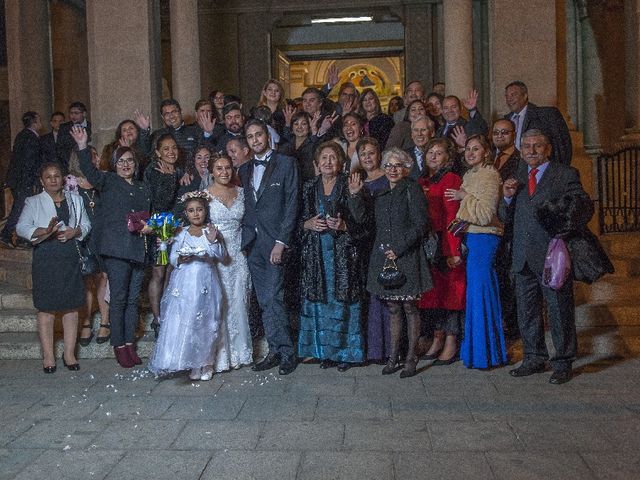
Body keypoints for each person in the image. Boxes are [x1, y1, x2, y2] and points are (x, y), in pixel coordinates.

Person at [501, 129, 592, 384]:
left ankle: (563, 361)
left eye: (537, 146)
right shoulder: (517, 174)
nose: (531, 150)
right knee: (527, 310)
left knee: (559, 309)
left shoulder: (564, 174)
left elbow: (582, 206)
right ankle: (533, 356)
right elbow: (506, 215)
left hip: (552, 254)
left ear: (548, 149)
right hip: (522, 255)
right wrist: (507, 198)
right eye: (526, 146)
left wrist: (561, 231)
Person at [71, 125, 152, 368]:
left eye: (130, 161)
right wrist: (83, 146)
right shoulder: (107, 181)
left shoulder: (143, 187)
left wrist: (152, 226)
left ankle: (129, 343)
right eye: (121, 161)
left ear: (135, 164)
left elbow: (148, 216)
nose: (126, 164)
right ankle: (118, 345)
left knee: (131, 300)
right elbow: (89, 171)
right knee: (118, 299)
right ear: (114, 164)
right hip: (116, 251)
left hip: (138, 249)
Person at [350, 148, 432, 378]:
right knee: (393, 308)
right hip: (384, 256)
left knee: (409, 307)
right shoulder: (380, 192)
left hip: (406, 256)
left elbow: (421, 224)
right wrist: (355, 195)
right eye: (389, 165)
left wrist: (400, 248)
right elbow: (363, 220)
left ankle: (410, 358)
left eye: (397, 165)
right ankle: (393, 357)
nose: (393, 169)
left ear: (406, 168)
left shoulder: (412, 189)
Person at [298, 142, 367, 371]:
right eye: (324, 158)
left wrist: (345, 225)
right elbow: (295, 220)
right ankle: (325, 352)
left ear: (341, 163)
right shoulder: (308, 187)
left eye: (333, 158)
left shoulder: (350, 186)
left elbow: (365, 223)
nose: (328, 162)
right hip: (316, 255)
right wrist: (308, 224)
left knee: (343, 302)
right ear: (317, 164)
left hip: (343, 254)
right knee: (321, 303)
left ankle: (346, 353)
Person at [16, 161, 91, 372]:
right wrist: (45, 230)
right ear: (42, 181)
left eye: (56, 175)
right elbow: (22, 227)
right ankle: (48, 357)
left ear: (63, 178)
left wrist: (74, 232)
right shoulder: (33, 201)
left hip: (69, 257)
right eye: (48, 176)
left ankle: (69, 354)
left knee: (71, 306)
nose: (53, 179)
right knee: (46, 308)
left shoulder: (76, 200)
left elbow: (86, 224)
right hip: (46, 257)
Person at [238, 119, 300, 375]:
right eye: (250, 136)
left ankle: (287, 352)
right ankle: (274, 350)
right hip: (253, 244)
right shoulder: (243, 169)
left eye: (259, 135)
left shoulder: (287, 164)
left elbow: (292, 204)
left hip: (276, 243)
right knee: (264, 301)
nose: (255, 140)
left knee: (274, 297)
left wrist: (281, 242)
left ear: (268, 136)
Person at [445, 134, 507, 369]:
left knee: (481, 293)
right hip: (471, 237)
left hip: (485, 238)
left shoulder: (490, 175)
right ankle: (475, 352)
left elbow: (485, 213)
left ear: (486, 152)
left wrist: (464, 197)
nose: (470, 153)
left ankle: (487, 354)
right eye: (468, 149)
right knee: (474, 295)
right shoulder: (469, 174)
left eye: (476, 149)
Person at [148, 192, 226, 380]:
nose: (196, 214)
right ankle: (192, 361)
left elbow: (221, 255)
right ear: (185, 213)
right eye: (191, 211)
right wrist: (179, 258)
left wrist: (212, 241)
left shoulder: (211, 230)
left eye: (199, 210)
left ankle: (206, 363)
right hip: (184, 284)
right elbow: (173, 257)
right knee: (187, 321)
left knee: (207, 321)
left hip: (206, 281)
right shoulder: (180, 233)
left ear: (205, 211)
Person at [418, 138, 466, 364]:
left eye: (439, 153)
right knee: (433, 296)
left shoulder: (451, 179)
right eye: (430, 152)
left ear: (448, 157)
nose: (434, 156)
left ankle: (450, 340)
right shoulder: (423, 181)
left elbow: (453, 217)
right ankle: (437, 339)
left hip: (446, 244)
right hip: (429, 245)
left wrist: (454, 250)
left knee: (451, 296)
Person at [207, 155, 253, 368]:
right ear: (211, 172)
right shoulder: (203, 196)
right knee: (219, 304)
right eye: (219, 168)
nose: (224, 172)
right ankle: (221, 357)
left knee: (239, 302)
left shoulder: (242, 193)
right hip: (216, 256)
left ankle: (241, 353)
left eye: (227, 168)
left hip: (239, 255)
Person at [66, 149, 111, 346]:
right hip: (83, 237)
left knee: (103, 278)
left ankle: (105, 321)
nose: (98, 158)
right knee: (86, 282)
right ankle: (85, 322)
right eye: (94, 155)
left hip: (103, 235)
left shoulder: (103, 180)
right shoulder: (70, 183)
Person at [354, 137, 391, 363]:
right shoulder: (358, 182)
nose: (368, 157)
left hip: (385, 243)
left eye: (371, 152)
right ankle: (374, 349)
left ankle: (390, 348)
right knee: (370, 296)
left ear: (380, 155)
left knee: (387, 293)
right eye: (363, 153)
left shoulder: (389, 179)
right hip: (365, 245)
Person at [144, 134, 182, 338]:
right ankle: (157, 318)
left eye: (174, 147)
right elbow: (159, 201)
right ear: (157, 152)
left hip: (176, 227)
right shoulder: (153, 171)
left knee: (170, 272)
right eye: (166, 148)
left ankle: (167, 313)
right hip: (160, 227)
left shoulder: (179, 170)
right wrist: (169, 178)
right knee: (159, 273)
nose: (171, 152)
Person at [491, 118, 521, 339]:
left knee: (511, 281)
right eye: (496, 132)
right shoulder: (491, 160)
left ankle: (513, 328)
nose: (500, 136)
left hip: (512, 227)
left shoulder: (520, 161)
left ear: (514, 133)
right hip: (493, 227)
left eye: (505, 132)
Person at [1, 111, 43, 249]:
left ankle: (19, 236)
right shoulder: (30, 137)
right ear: (34, 121)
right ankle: (7, 234)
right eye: (38, 119)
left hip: (18, 179)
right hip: (24, 181)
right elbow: (29, 162)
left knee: (22, 208)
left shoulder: (22, 135)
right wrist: (32, 181)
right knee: (21, 208)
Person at [504, 80, 572, 165]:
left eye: (513, 95)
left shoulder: (546, 115)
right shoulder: (505, 121)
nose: (509, 99)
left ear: (525, 96)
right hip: (514, 171)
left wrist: (560, 172)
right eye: (506, 96)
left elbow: (563, 145)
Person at [280, 110, 321, 183]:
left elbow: (317, 148)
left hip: (307, 185)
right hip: (288, 185)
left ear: (309, 127)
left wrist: (314, 132)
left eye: (304, 124)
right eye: (296, 124)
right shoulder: (286, 145)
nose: (299, 127)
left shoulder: (313, 143)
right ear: (292, 127)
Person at [56, 102, 92, 172]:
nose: (73, 116)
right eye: (71, 113)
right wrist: (69, 162)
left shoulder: (91, 126)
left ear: (84, 114)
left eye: (76, 113)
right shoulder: (64, 128)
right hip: (69, 165)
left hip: (87, 163)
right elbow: (60, 147)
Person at [406, 115, 436, 179]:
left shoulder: (439, 154)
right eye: (416, 130)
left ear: (432, 133)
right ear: (411, 134)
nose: (419, 134)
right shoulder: (404, 155)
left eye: (423, 130)